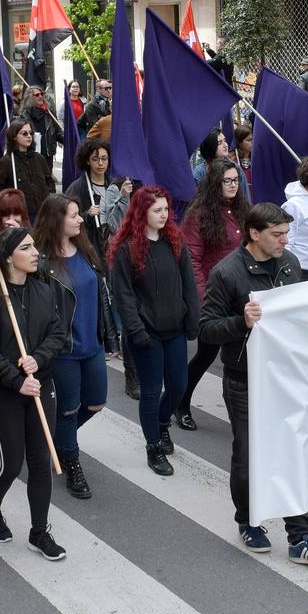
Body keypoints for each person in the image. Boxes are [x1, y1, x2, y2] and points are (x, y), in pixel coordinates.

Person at [199, 203, 308, 566]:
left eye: (286, 233)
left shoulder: (290, 263)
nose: (284, 241)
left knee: (292, 450)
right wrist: (240, 321)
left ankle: (300, 536)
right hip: (245, 380)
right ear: (253, 233)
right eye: (276, 234)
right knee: (248, 455)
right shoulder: (227, 273)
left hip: (287, 376)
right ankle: (249, 520)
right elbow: (206, 327)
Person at [0, 227, 69, 561]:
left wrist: (37, 360)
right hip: (5, 393)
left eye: (34, 246)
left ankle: (40, 532)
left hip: (42, 387)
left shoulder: (44, 291)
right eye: (27, 247)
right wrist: (15, 378)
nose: (35, 251)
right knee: (11, 464)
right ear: (9, 256)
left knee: (41, 462)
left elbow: (58, 335)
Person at [109, 185, 199, 476]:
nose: (164, 215)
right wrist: (137, 332)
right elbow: (123, 295)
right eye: (157, 210)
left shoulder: (175, 242)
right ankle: (154, 447)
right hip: (145, 335)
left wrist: (192, 319)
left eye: (166, 209)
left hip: (174, 329)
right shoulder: (127, 250)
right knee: (150, 391)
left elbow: (188, 284)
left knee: (178, 385)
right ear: (141, 213)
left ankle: (162, 423)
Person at [35, 194, 117, 499]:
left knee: (95, 402)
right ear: (57, 220)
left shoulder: (85, 249)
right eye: (74, 215)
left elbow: (102, 296)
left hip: (92, 344)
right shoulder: (41, 261)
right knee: (68, 410)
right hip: (63, 350)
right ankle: (72, 463)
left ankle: (56, 439)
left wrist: (109, 337)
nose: (80, 219)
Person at [176, 158, 248, 430]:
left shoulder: (242, 209)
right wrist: (204, 298)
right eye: (226, 181)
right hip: (215, 298)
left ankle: (242, 410)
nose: (232, 185)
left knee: (245, 357)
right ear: (214, 184)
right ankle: (181, 402)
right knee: (206, 355)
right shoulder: (200, 214)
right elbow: (192, 258)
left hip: (242, 296)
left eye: (235, 180)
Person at [65, 138, 121, 257]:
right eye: (95, 159)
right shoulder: (78, 188)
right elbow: (65, 218)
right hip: (91, 244)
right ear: (87, 161)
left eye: (104, 159)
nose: (100, 163)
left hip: (114, 242)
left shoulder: (115, 185)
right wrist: (87, 215)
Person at [0, 120, 55, 219]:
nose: (29, 136)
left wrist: (49, 199)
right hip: (21, 215)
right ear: (14, 136)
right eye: (24, 133)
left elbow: (49, 182)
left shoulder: (39, 158)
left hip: (43, 213)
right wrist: (10, 205)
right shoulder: (7, 161)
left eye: (31, 133)